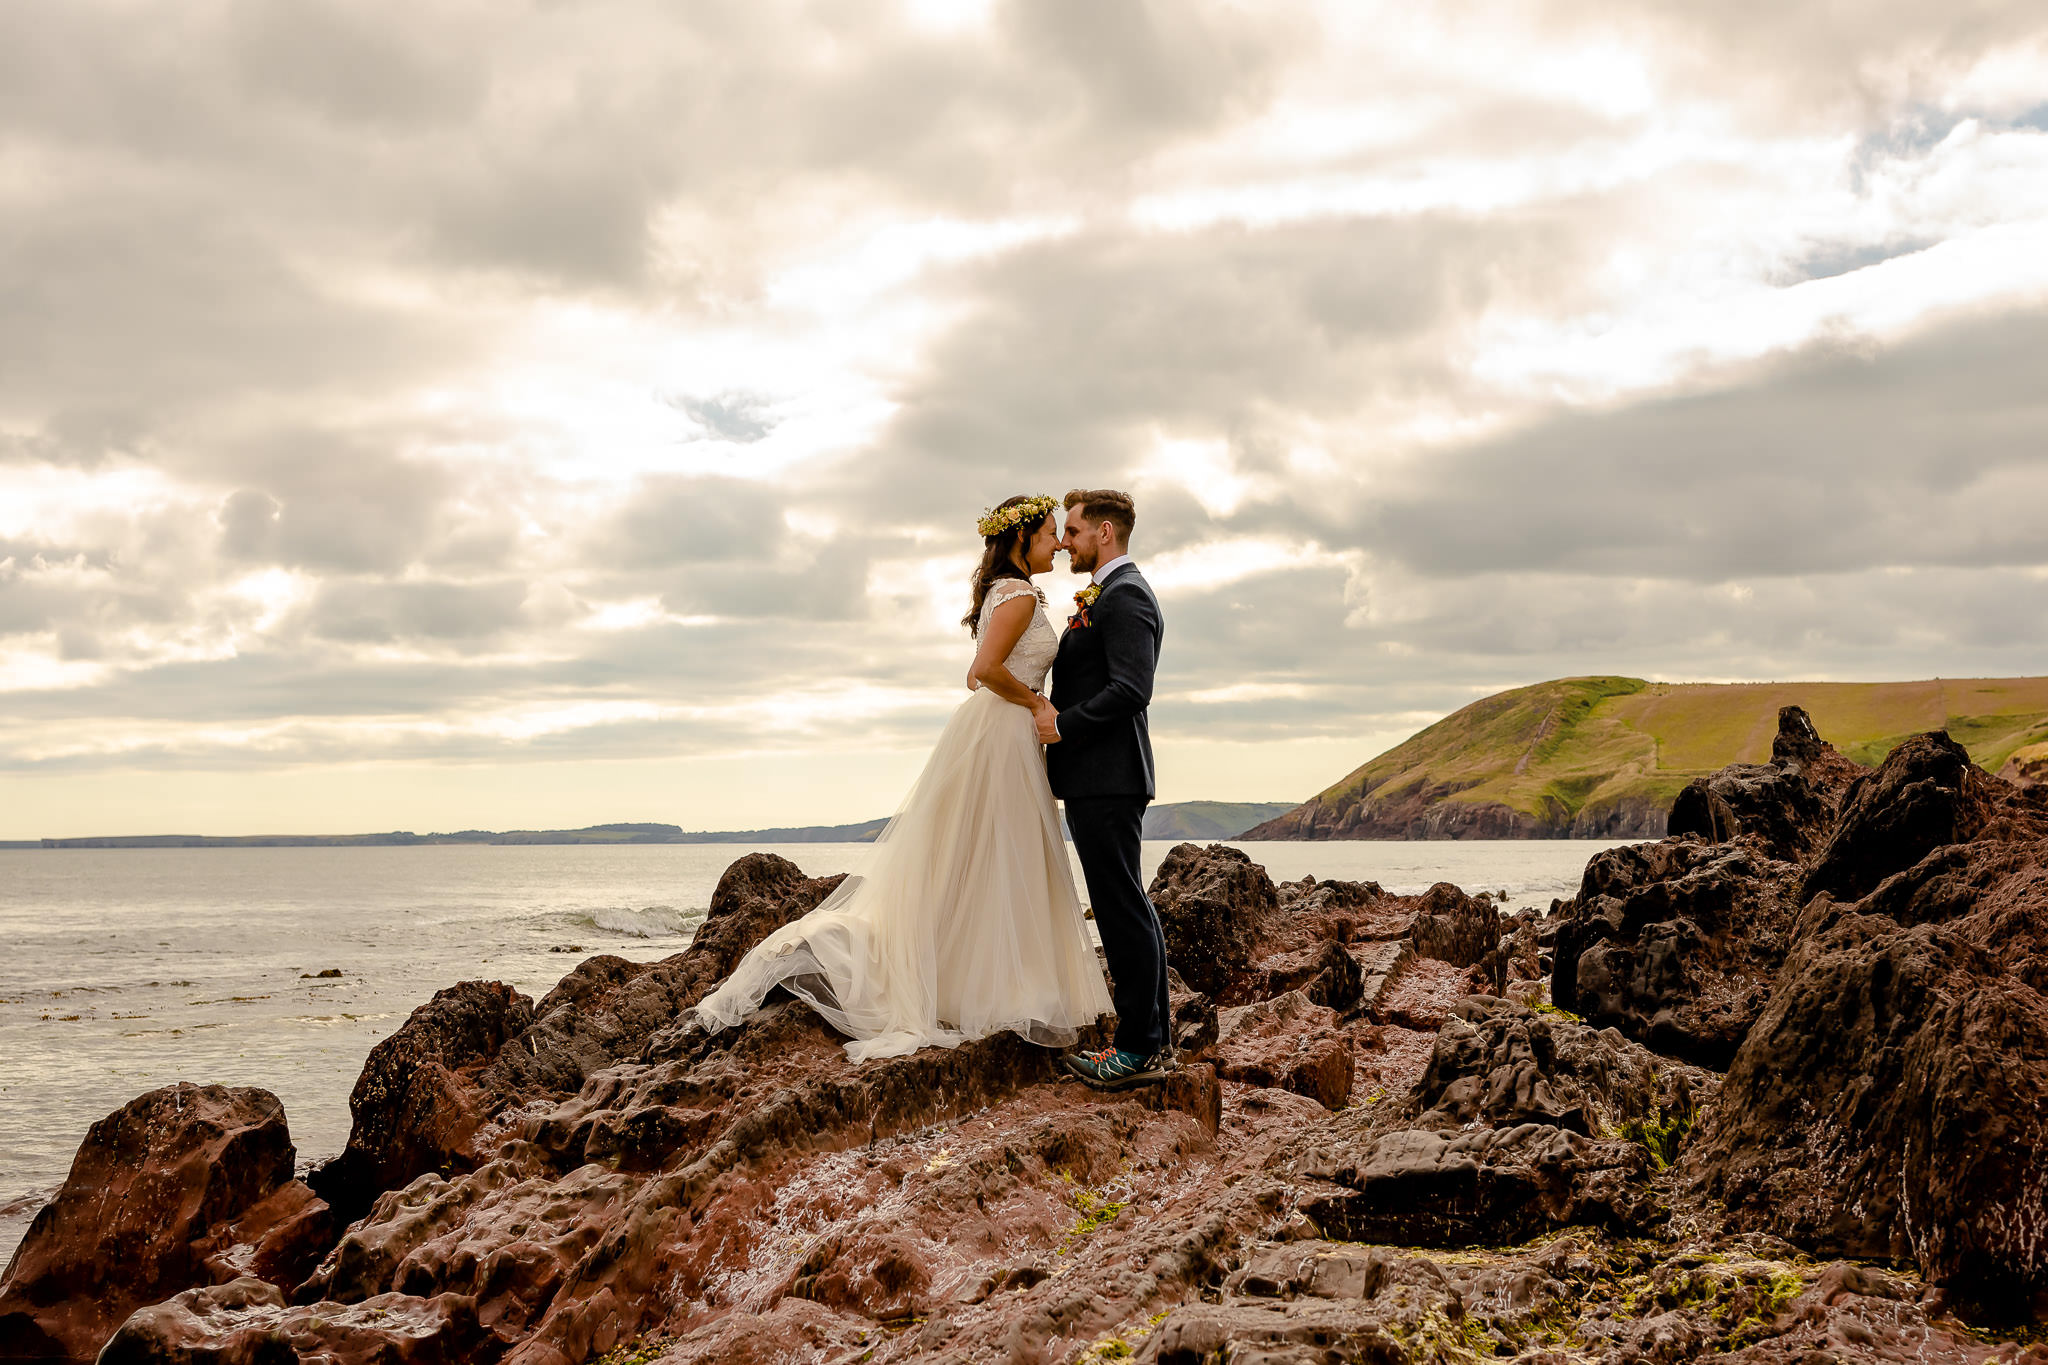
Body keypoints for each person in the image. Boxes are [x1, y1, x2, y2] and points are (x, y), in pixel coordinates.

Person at [690, 495, 1113, 1062]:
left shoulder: (1011, 593)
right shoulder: (1014, 596)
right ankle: (994, 986)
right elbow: (981, 673)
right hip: (1003, 733)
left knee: (990, 855)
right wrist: (1037, 701)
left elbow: (983, 675)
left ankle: (984, 977)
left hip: (1003, 733)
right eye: (1047, 535)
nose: (1058, 544)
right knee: (1000, 852)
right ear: (1020, 541)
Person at [1035, 489, 1174, 1090]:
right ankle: (1151, 1042)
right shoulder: (1109, 594)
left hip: (1108, 779)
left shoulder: (1126, 597)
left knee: (1120, 911)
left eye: (1072, 530)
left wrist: (1062, 723)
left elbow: (1131, 690)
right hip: (1100, 780)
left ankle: (1137, 1050)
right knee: (1127, 906)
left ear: (1105, 532)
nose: (1065, 541)